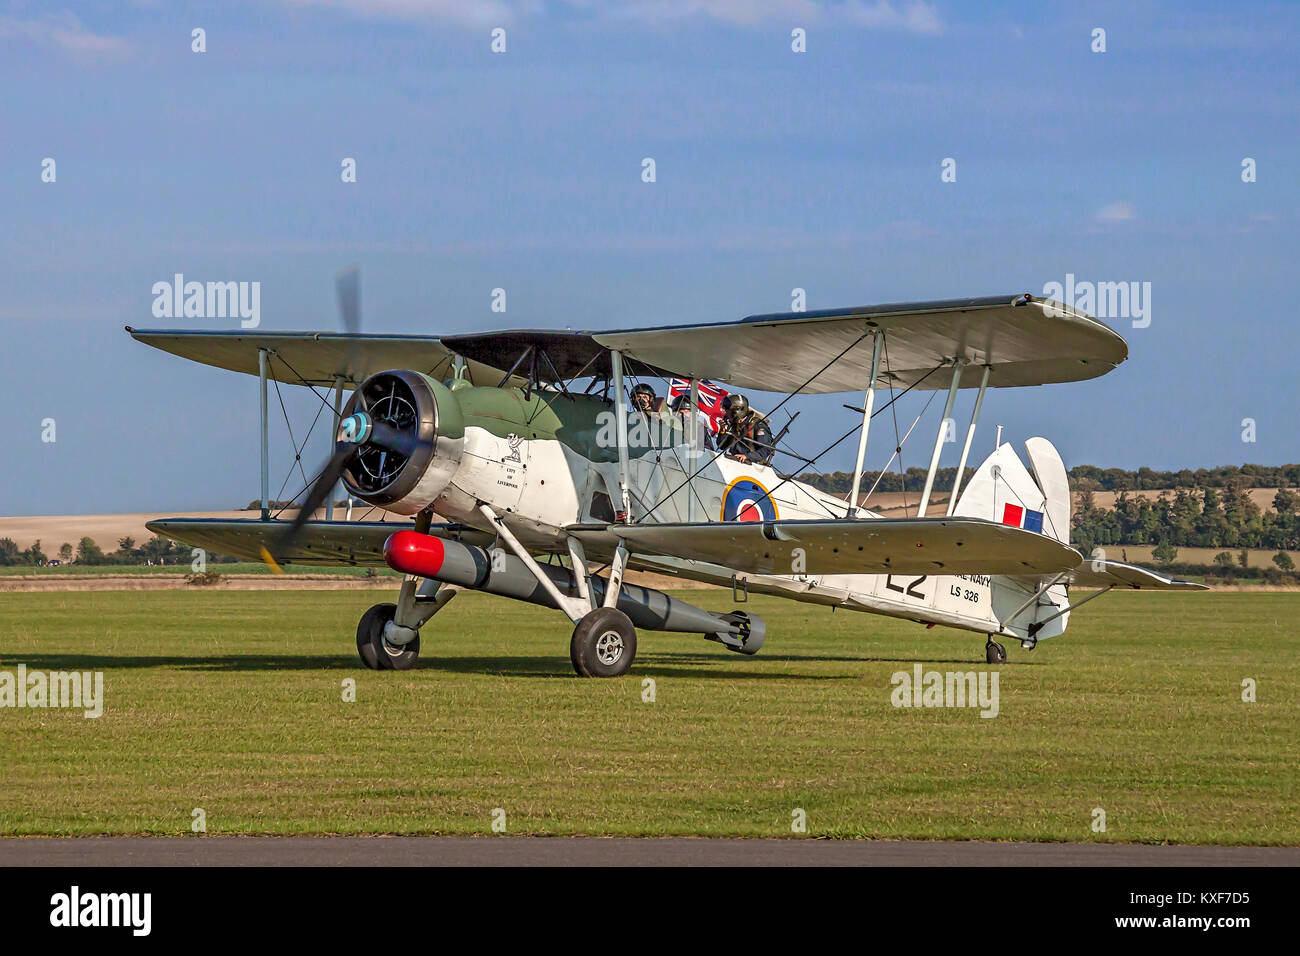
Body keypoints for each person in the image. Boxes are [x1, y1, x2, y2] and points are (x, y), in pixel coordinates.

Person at [717, 393, 774, 465]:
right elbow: (722, 446)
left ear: (737, 411)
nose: (726, 414)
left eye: (728, 411)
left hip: (752, 465)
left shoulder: (757, 425)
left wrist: (747, 456)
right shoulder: (733, 425)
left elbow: (766, 449)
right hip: (734, 462)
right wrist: (723, 431)